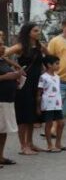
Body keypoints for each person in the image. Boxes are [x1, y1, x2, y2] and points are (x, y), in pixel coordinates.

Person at [4, 23, 45, 155]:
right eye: (35, 31)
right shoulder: (21, 46)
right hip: (24, 84)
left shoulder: (39, 46)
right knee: (23, 115)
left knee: (32, 115)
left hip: (36, 84)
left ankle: (30, 142)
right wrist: (16, 66)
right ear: (28, 32)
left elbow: (49, 55)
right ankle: (23, 146)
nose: (38, 33)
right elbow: (3, 55)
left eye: (38, 30)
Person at [37, 56, 66, 153]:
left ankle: (58, 143)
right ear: (49, 65)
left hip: (57, 104)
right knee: (49, 123)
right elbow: (39, 93)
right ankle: (49, 145)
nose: (59, 65)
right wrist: (38, 107)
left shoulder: (57, 77)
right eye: (56, 63)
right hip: (47, 104)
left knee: (61, 123)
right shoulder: (43, 77)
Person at [0, 44, 24, 169]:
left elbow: (17, 67)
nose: (2, 47)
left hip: (7, 99)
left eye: (2, 44)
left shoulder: (3, 60)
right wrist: (5, 77)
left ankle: (1, 156)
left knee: (3, 130)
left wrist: (17, 74)